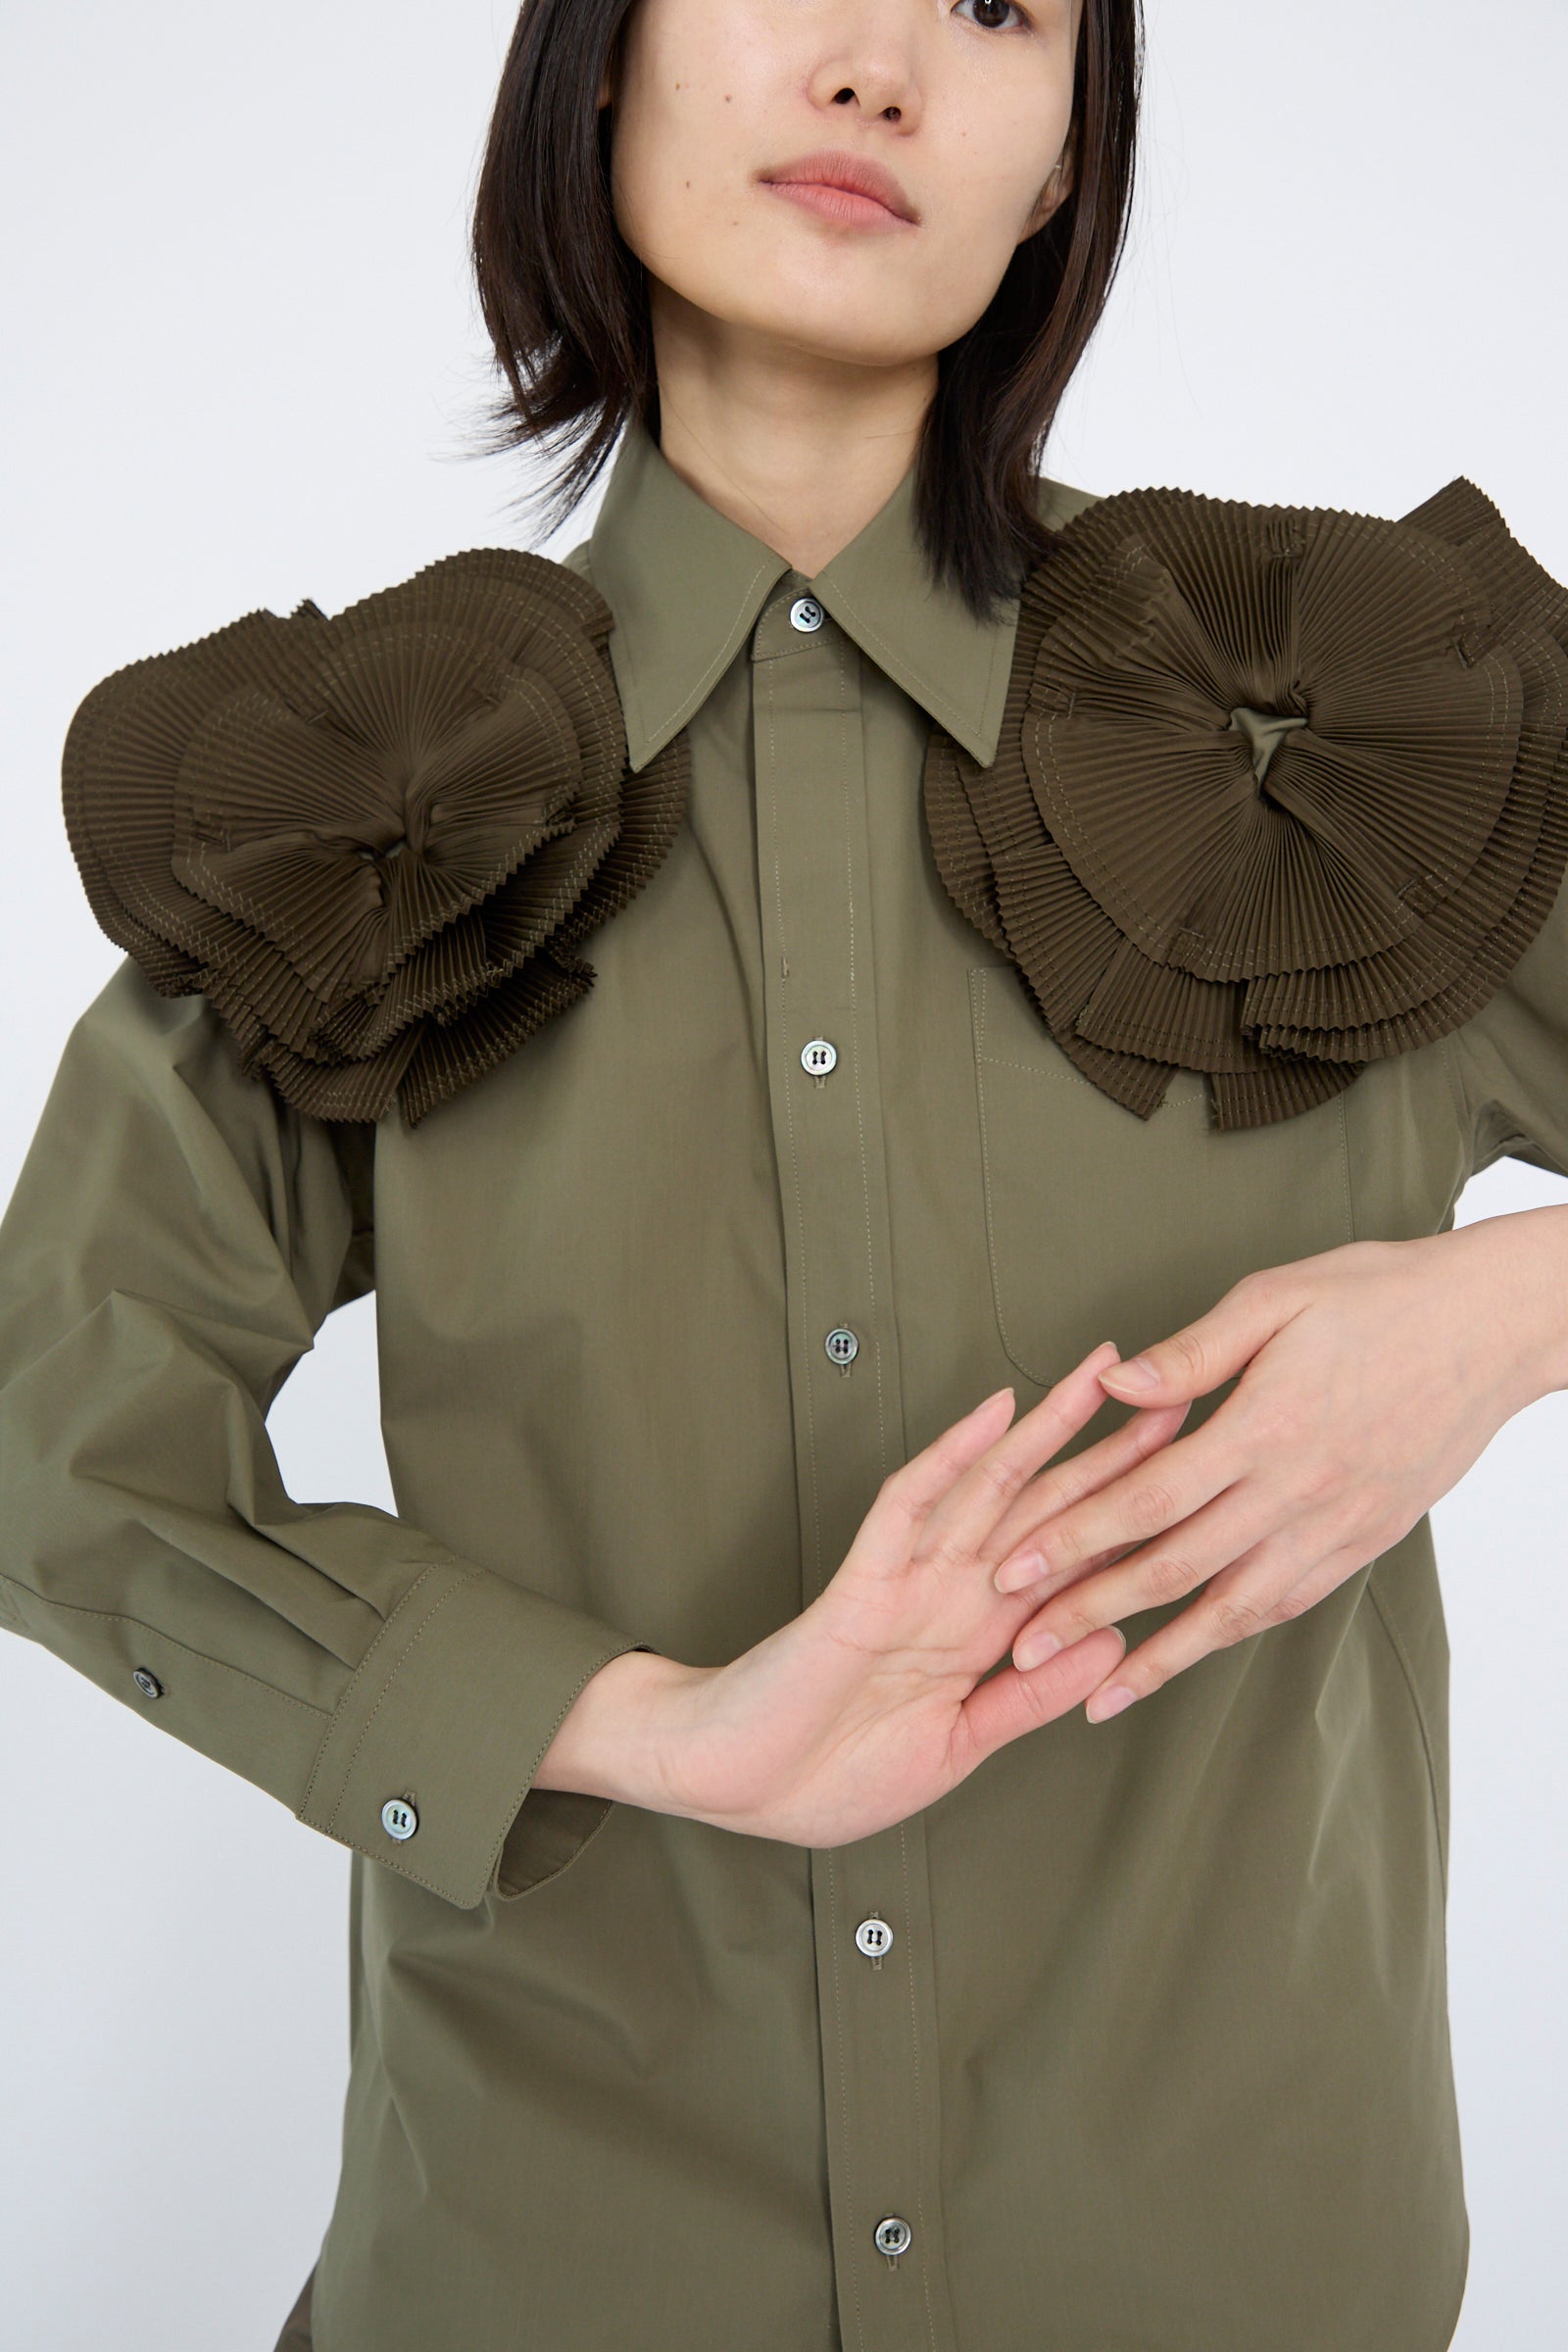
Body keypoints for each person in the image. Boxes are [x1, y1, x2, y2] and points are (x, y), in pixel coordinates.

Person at [2, 1, 1565, 2347]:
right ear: (596, 62)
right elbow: (53, 1447)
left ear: (1058, 155)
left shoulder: (1360, 746)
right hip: (540, 2274)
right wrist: (634, 1726)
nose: (873, 69)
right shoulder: (354, 813)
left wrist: (1496, 1319)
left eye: (992, 7)